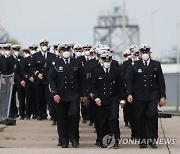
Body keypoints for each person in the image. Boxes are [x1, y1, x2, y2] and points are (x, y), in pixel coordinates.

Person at [126, 44, 166, 149]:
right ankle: (142, 139)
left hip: (152, 95)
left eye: (146, 52)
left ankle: (152, 139)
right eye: (143, 52)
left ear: (149, 53)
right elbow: (129, 80)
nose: (145, 54)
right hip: (139, 95)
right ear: (140, 53)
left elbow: (161, 81)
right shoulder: (135, 65)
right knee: (140, 117)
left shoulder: (156, 65)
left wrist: (162, 96)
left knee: (152, 115)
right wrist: (129, 93)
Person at [49, 43, 88, 148]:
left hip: (74, 95)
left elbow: (82, 80)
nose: (65, 52)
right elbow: (51, 80)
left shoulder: (77, 62)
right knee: (61, 119)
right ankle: (63, 139)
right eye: (63, 50)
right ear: (60, 52)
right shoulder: (55, 63)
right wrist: (55, 94)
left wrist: (84, 95)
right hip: (60, 96)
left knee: (74, 115)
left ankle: (74, 138)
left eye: (68, 50)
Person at [91, 51, 126, 148]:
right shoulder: (96, 70)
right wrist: (96, 97)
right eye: (104, 60)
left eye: (109, 60)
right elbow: (93, 86)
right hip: (101, 100)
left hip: (113, 99)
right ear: (101, 60)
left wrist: (122, 99)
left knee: (113, 118)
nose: (107, 62)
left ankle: (115, 139)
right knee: (103, 120)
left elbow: (121, 86)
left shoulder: (116, 71)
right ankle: (103, 139)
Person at [31, 39, 55, 120]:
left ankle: (52, 114)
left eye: (45, 45)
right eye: (43, 45)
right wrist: (37, 73)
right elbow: (32, 67)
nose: (44, 47)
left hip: (48, 80)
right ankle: (40, 114)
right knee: (39, 97)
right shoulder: (35, 56)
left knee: (49, 98)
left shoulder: (52, 56)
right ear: (40, 46)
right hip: (39, 80)